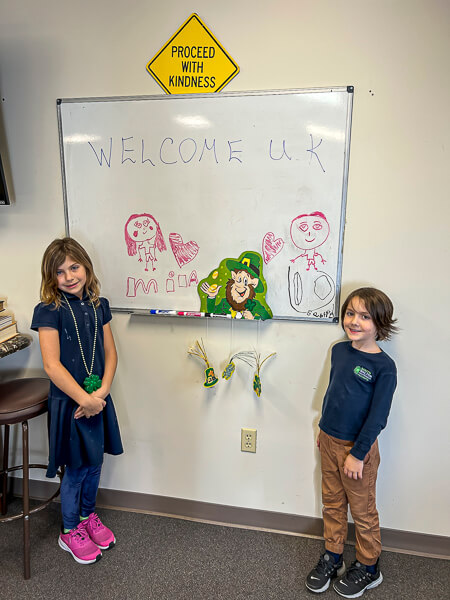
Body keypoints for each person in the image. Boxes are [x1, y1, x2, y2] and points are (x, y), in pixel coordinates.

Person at [31, 237, 123, 565]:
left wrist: (101, 394)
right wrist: (85, 398)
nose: (69, 276)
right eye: (60, 272)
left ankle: (87, 518)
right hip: (72, 403)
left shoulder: (100, 305)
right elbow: (51, 365)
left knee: (96, 463)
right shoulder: (49, 310)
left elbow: (111, 354)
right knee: (76, 467)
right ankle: (69, 530)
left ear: (86, 267)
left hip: (98, 398)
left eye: (74, 267)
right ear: (50, 278)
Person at [305, 287, 398, 597]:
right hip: (329, 441)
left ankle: (369, 566)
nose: (354, 321)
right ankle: (333, 556)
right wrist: (323, 427)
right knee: (332, 504)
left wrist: (357, 454)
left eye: (364, 316)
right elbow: (334, 394)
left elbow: (377, 417)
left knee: (362, 510)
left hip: (358, 452)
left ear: (380, 324)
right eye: (350, 313)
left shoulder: (384, 367)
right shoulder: (339, 350)